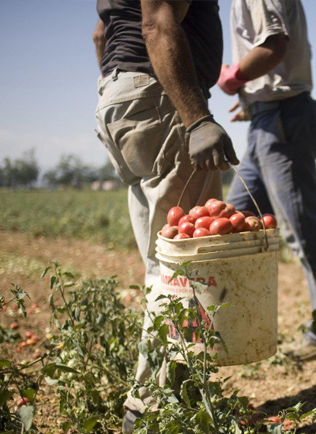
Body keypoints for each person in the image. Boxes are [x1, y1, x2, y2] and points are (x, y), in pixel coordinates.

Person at [92, 1, 238, 431]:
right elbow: (156, 23)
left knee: (162, 265)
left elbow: (101, 35)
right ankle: (152, 411)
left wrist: (125, 91)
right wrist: (196, 119)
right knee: (183, 270)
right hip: (160, 97)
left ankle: (165, 401)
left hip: (119, 96)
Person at [217, 0, 316, 362]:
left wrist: (233, 78)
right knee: (235, 225)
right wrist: (254, 102)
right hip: (268, 118)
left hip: (283, 118)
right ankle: (234, 329)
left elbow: (274, 45)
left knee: (301, 229)